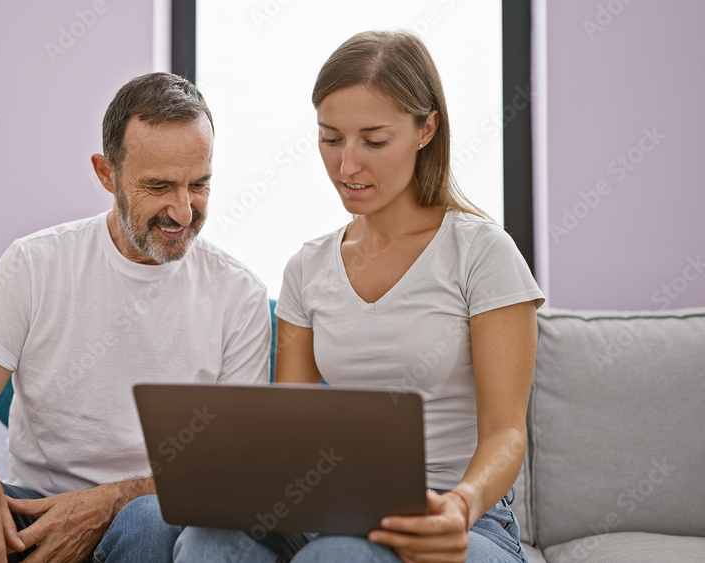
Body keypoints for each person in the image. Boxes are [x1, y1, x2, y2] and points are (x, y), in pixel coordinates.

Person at [173, 30, 544, 563]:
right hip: (337, 511)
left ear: (426, 129)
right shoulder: (307, 268)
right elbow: (291, 434)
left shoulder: (481, 252)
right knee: (208, 540)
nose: (347, 166)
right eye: (330, 138)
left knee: (340, 555)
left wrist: (461, 506)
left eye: (373, 140)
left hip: (463, 519)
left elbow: (507, 434)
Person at [0, 72, 272, 563]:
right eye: (159, 186)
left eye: (199, 185)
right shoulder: (35, 264)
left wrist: (103, 506)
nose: (182, 210)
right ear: (106, 174)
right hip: (29, 520)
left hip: (147, 525)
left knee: (153, 519)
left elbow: (231, 471)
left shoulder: (238, 296)